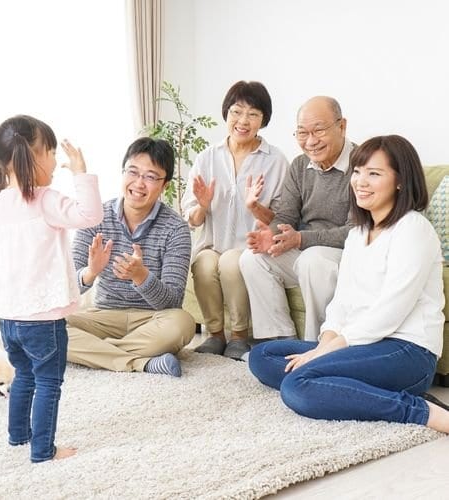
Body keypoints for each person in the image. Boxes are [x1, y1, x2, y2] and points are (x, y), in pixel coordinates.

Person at [248, 134, 449, 433]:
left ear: (400, 181)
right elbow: (341, 301)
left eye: (374, 174)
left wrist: (324, 353)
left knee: (296, 385)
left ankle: (423, 411)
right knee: (262, 356)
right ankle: (353, 386)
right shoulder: (358, 233)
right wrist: (325, 343)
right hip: (361, 344)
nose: (360, 182)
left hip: (407, 351)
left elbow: (390, 312)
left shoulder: (413, 229)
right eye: (357, 171)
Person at [0, 115, 103, 462]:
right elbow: (90, 215)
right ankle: (43, 450)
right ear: (34, 156)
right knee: (49, 382)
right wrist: (80, 173)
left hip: (9, 317)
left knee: (24, 376)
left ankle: (18, 435)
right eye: (50, 152)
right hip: (43, 319)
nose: (54, 159)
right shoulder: (46, 200)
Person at [66, 137, 195, 377]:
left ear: (165, 185)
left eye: (150, 176)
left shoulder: (176, 228)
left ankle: (98, 352)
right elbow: (67, 288)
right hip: (103, 316)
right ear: (123, 172)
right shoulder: (95, 217)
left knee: (183, 323)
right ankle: (141, 362)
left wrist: (141, 276)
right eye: (133, 172)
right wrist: (91, 272)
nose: (139, 183)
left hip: (152, 319)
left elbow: (172, 302)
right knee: (46, 325)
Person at [181, 80, 290, 360]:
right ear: (226, 113)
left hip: (250, 247)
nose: (243, 121)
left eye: (253, 114)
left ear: (263, 120)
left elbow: (283, 217)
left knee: (231, 262)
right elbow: (191, 218)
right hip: (212, 243)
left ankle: (239, 336)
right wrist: (202, 205)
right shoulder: (207, 157)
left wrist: (255, 207)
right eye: (237, 112)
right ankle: (216, 335)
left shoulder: (275, 160)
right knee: (204, 264)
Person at [239, 96, 356, 342]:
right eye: (302, 133)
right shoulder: (300, 165)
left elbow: (356, 231)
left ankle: (318, 345)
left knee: (313, 260)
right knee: (253, 257)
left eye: (319, 130)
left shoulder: (362, 163)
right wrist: (272, 234)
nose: (311, 142)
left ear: (342, 126)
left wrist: (301, 239)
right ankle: (280, 341)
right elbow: (285, 216)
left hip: (345, 256)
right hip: (307, 252)